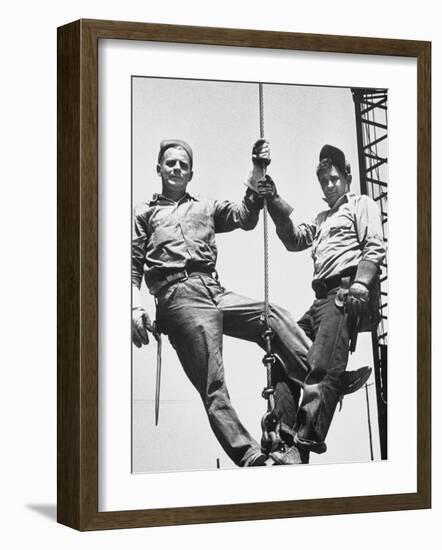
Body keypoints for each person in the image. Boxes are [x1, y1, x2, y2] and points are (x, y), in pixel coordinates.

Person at [132, 138, 315, 467]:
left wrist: (258, 168)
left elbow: (245, 216)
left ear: (191, 173)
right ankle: (250, 457)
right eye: (170, 163)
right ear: (158, 168)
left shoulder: (206, 206)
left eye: (182, 165)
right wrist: (134, 309)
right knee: (213, 384)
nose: (176, 168)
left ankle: (321, 377)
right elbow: (130, 267)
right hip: (177, 297)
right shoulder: (144, 214)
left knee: (270, 315)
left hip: (214, 288)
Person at [255, 143, 386, 456]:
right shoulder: (321, 218)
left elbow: (375, 248)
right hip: (318, 300)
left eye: (334, 179)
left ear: (347, 177)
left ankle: (307, 438)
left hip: (345, 293)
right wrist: (272, 200)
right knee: (284, 357)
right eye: (324, 181)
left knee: (322, 365)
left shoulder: (361, 204)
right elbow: (293, 240)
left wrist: (361, 285)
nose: (329, 185)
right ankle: (283, 437)